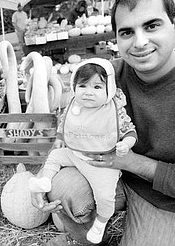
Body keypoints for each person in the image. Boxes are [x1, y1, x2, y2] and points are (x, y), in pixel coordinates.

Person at [31, 0, 175, 245]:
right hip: (110, 176)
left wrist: (132, 162)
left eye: (152, 25)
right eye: (127, 32)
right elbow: (70, 125)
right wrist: (45, 174)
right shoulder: (106, 77)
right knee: (63, 186)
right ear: (116, 38)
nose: (140, 42)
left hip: (164, 195)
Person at [29, 58, 137, 244]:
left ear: (109, 89)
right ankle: (45, 181)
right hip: (76, 154)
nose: (88, 93)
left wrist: (126, 144)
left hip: (102, 162)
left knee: (104, 194)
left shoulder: (114, 110)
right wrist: (60, 139)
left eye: (97, 87)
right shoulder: (74, 105)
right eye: (83, 86)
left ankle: (101, 222)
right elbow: (64, 124)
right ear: (74, 86)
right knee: (54, 157)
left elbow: (130, 130)